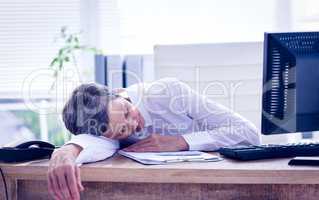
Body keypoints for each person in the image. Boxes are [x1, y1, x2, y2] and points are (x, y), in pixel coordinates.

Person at [48, 78, 260, 200]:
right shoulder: (104, 134)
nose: (132, 123)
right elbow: (98, 144)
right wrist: (69, 150)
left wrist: (181, 141)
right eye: (122, 131)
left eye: (126, 110)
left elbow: (248, 132)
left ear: (118, 92)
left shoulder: (168, 93)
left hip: (216, 182)